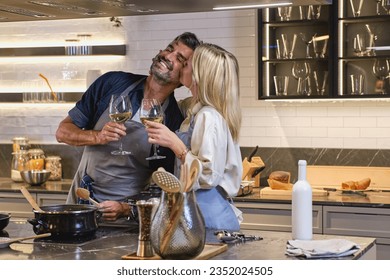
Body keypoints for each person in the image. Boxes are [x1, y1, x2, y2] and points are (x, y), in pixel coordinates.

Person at [56, 32, 201, 221]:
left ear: (184, 75)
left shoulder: (173, 121)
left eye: (179, 58)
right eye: (169, 49)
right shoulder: (111, 83)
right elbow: (62, 132)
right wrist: (97, 137)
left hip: (124, 219)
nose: (168, 56)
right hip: (80, 204)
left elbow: (166, 189)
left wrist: (125, 208)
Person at [144, 43, 243, 231]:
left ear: (199, 75)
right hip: (201, 215)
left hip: (208, 218)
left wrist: (176, 145)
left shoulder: (209, 116)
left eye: (187, 64)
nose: (182, 66)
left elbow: (208, 175)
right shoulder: (196, 110)